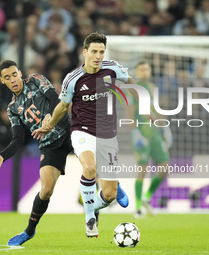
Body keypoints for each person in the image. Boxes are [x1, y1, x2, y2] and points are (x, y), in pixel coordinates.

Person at [34, 32, 156, 237]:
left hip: (108, 135)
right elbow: (63, 107)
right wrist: (50, 125)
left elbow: (131, 81)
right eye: (94, 52)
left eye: (101, 51)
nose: (98, 56)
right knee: (89, 167)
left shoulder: (113, 68)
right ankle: (90, 218)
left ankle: (98, 203)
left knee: (109, 194)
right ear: (85, 52)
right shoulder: (73, 79)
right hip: (83, 131)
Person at [0, 60, 73, 246]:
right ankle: (29, 231)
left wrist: (50, 117)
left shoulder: (35, 79)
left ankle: (112, 188)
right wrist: (2, 156)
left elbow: (54, 98)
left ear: (20, 73)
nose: (13, 80)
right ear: (2, 81)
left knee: (92, 163)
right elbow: (18, 139)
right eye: (7, 78)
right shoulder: (12, 109)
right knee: (46, 190)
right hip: (49, 145)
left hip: (69, 131)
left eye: (14, 74)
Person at [126, 61, 173, 218]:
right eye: (142, 69)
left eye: (147, 68)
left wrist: (165, 129)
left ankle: (147, 197)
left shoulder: (154, 88)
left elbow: (158, 111)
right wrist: (135, 133)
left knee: (165, 167)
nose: (145, 71)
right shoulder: (134, 89)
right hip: (141, 135)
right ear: (137, 72)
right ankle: (138, 207)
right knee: (143, 169)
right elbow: (130, 114)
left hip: (155, 134)